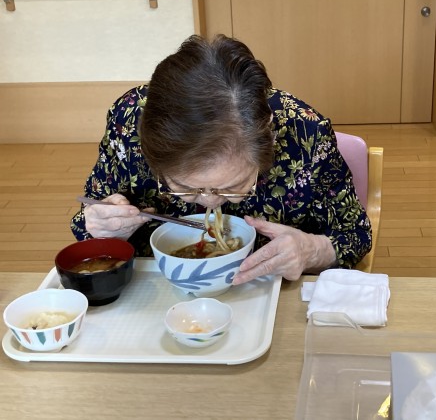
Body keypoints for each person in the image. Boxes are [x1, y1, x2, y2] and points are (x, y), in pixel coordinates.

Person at [71, 34, 372, 285]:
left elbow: (354, 234)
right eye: (184, 188)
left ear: (268, 138)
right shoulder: (127, 124)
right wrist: (105, 227)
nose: (210, 202)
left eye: (233, 187)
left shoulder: (306, 134)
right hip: (156, 290)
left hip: (271, 294)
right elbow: (90, 219)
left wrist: (312, 250)